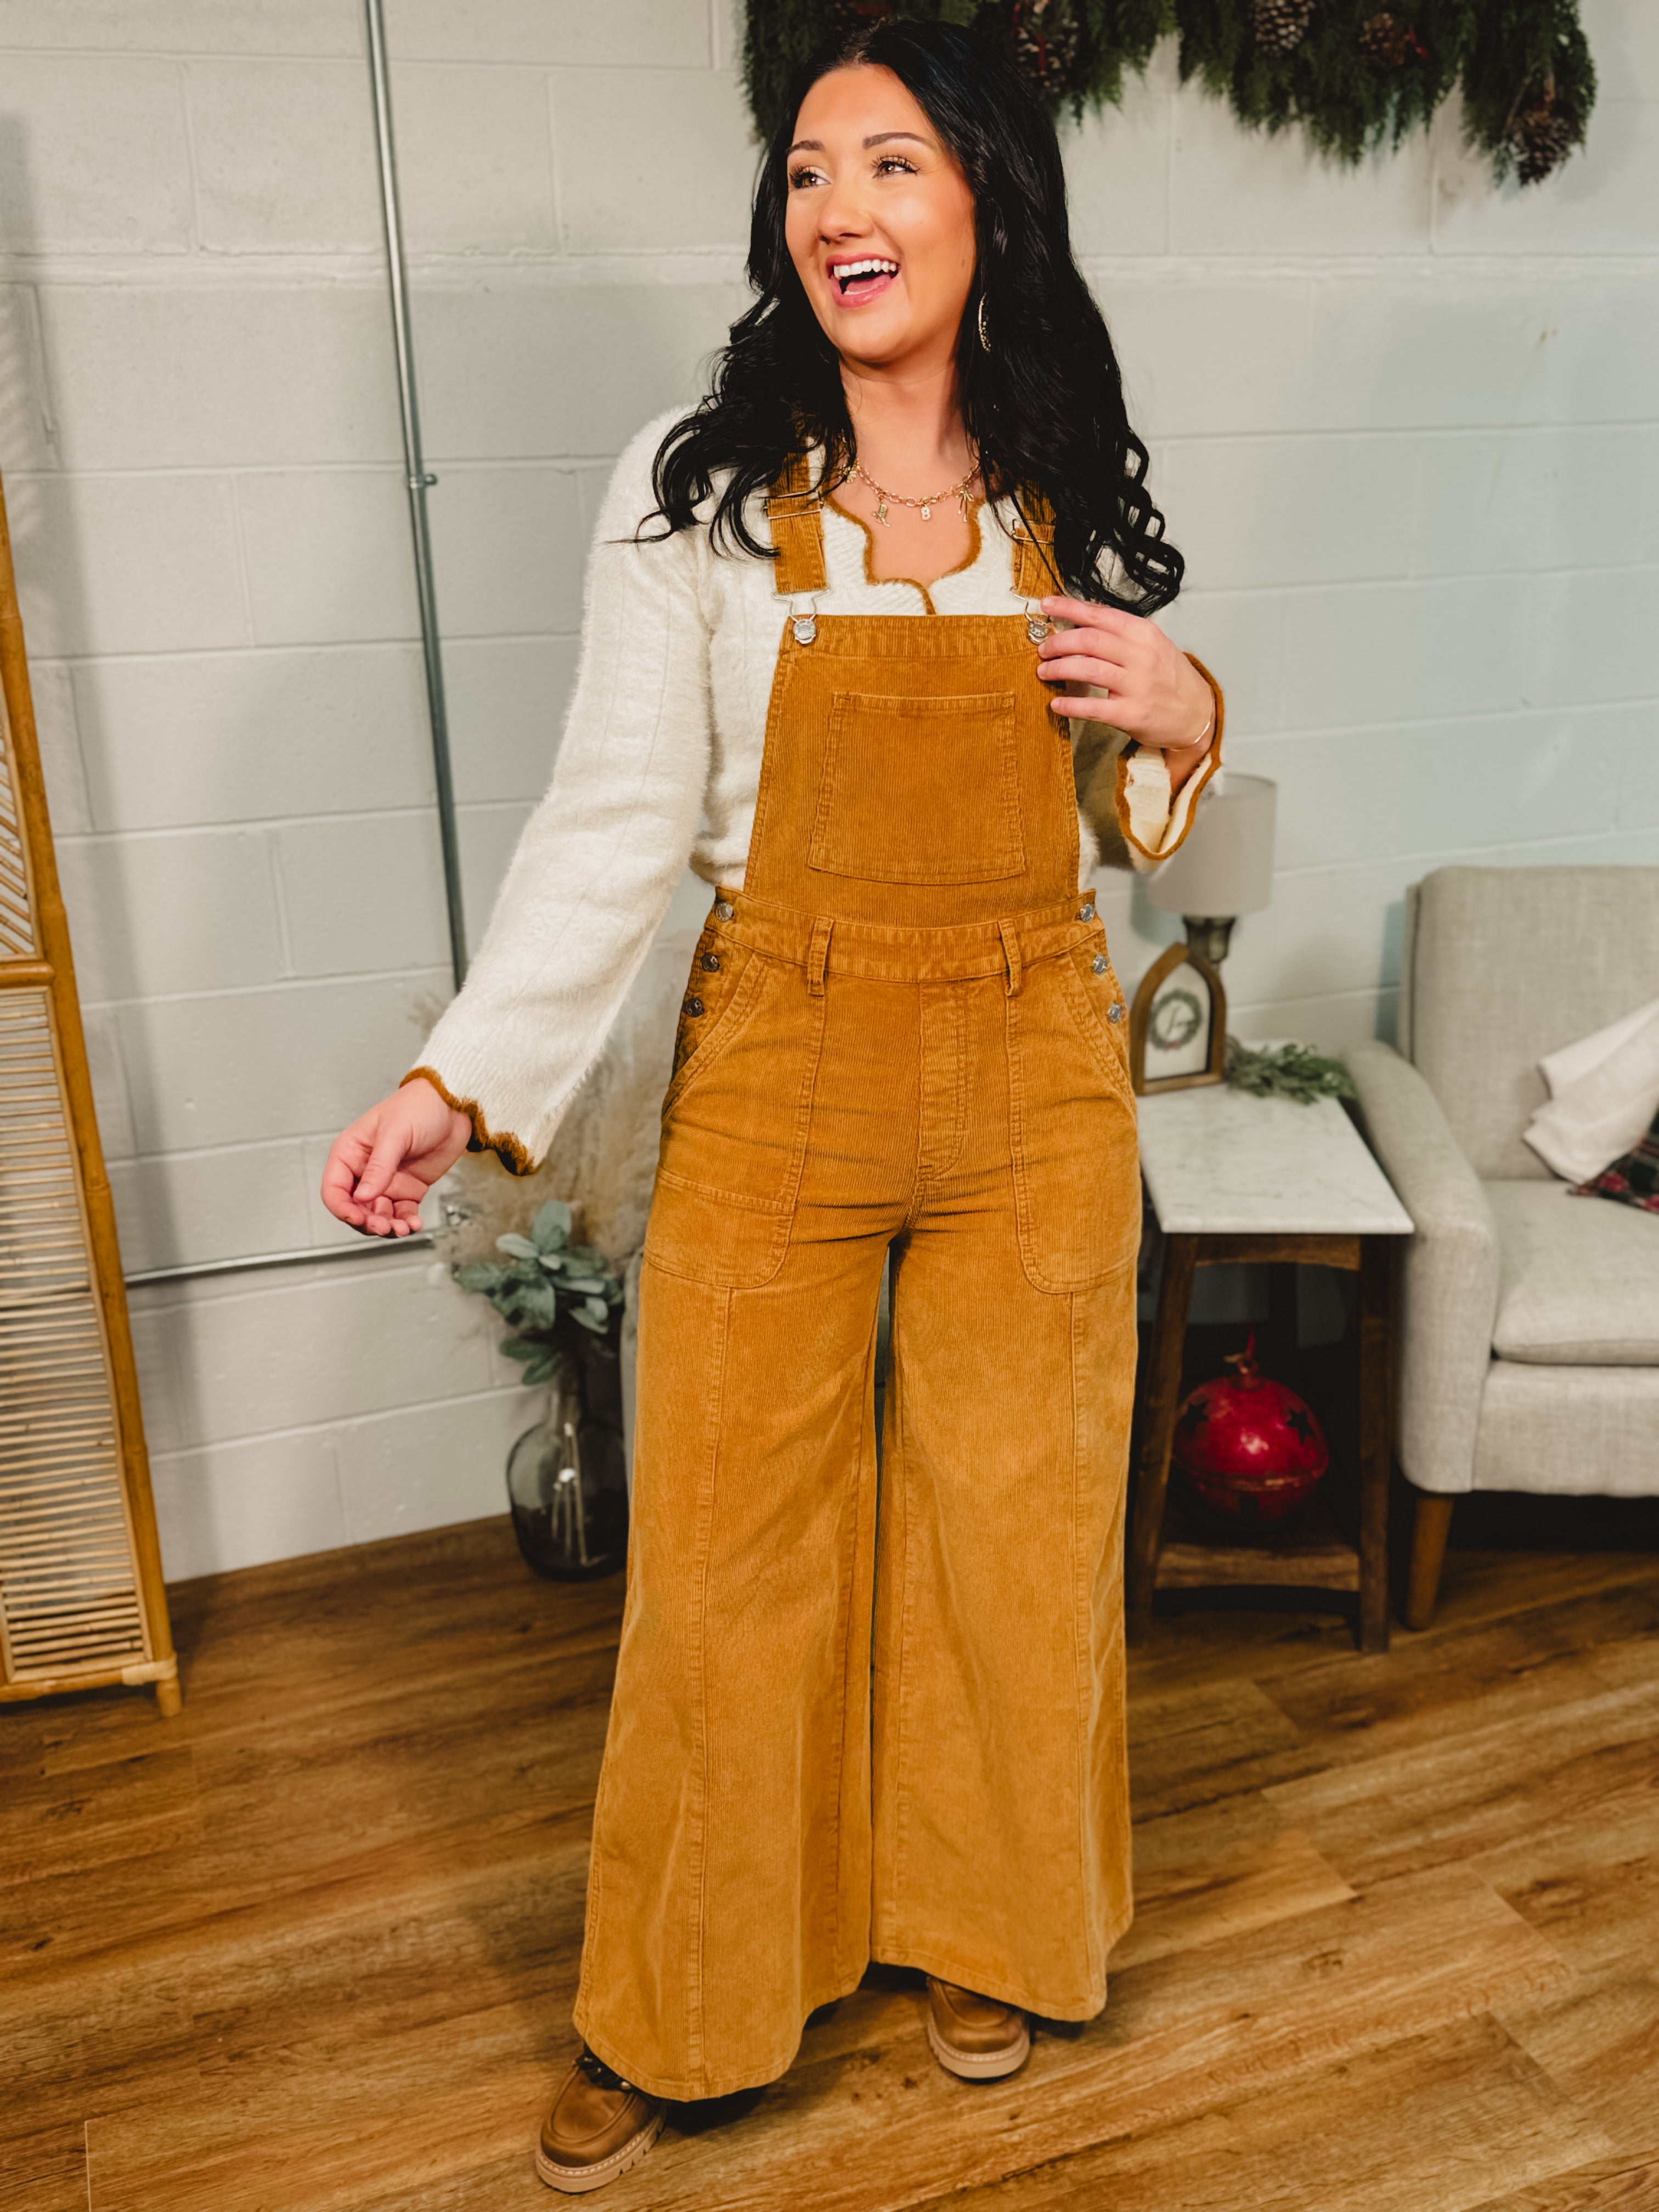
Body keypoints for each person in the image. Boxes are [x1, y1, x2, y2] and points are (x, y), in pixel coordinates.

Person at [323, 19, 1224, 2194]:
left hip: (1033, 1065)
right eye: (809, 170)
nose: (841, 206)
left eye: (892, 161)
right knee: (724, 1560)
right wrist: (464, 1077)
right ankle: (681, 2002)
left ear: (986, 200)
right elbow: (614, 818)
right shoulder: (700, 485)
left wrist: (1190, 712)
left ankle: (982, 1929)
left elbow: (1126, 821)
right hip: (783, 1060)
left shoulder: (1056, 473)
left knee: (1016, 1535)